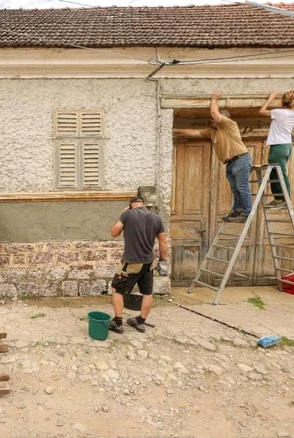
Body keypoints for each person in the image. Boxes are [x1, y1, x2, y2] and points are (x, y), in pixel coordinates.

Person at [173, 92, 252, 223]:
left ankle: (246, 212)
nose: (211, 120)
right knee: (235, 188)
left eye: (214, 119)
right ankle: (237, 210)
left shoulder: (229, 125)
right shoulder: (212, 132)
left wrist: (214, 99)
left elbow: (215, 113)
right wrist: (173, 130)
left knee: (242, 187)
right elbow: (194, 132)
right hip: (230, 163)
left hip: (240, 159)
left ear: (222, 119)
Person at [108, 196, 168, 334]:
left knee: (117, 289)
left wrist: (123, 214)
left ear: (131, 206)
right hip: (148, 262)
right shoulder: (156, 217)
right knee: (147, 292)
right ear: (144, 205)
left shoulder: (128, 214)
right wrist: (162, 260)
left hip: (131, 262)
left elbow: (114, 232)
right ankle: (140, 321)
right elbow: (163, 242)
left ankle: (117, 323)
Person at [260, 91, 294, 208]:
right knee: (274, 172)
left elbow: (261, 112)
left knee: (280, 173)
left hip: (278, 146)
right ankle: (278, 199)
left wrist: (270, 99)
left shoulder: (279, 113)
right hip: (287, 145)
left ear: (282, 101)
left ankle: (286, 200)